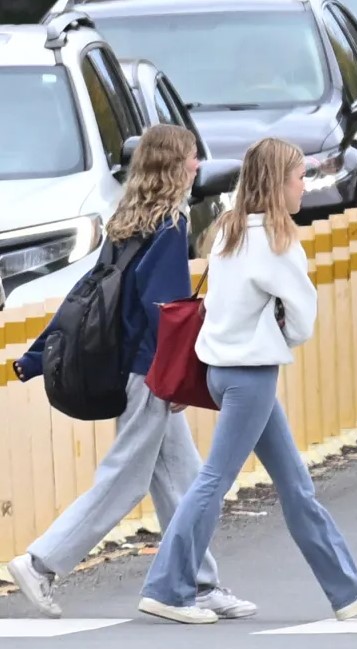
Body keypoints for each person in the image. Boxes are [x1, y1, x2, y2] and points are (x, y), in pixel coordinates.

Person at [136, 137, 357, 624]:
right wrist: (280, 328)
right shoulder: (279, 245)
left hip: (221, 372)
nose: (305, 186)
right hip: (251, 378)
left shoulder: (228, 233)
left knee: (296, 485)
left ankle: (347, 588)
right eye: (300, 177)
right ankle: (167, 589)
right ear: (277, 183)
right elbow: (303, 321)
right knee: (214, 480)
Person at [7, 124, 256, 620]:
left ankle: (199, 583)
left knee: (181, 480)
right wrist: (177, 374)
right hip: (150, 376)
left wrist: (37, 357)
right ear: (171, 164)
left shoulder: (128, 221)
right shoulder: (169, 227)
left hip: (133, 371)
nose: (196, 166)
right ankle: (41, 563)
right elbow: (164, 310)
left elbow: (87, 295)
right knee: (123, 480)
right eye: (190, 158)